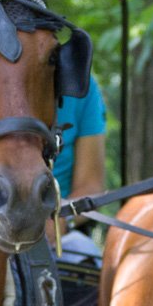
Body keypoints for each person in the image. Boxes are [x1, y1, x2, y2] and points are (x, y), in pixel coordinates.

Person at [50, 73, 108, 245]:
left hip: (60, 235)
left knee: (84, 249)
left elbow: (91, 186)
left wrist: (61, 220)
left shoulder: (81, 85)